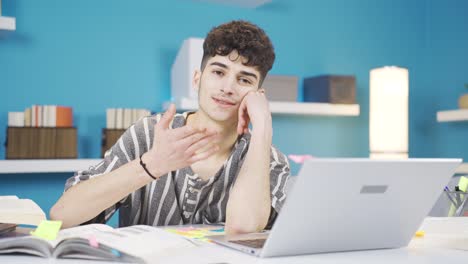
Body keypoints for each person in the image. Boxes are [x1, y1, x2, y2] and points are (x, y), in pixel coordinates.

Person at [50, 20, 290, 235]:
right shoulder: (147, 133)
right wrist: (152, 164)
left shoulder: (269, 158)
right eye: (218, 72)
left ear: (258, 95)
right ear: (197, 79)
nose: (228, 87)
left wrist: (263, 128)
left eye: (244, 79)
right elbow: (62, 215)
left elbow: (242, 228)